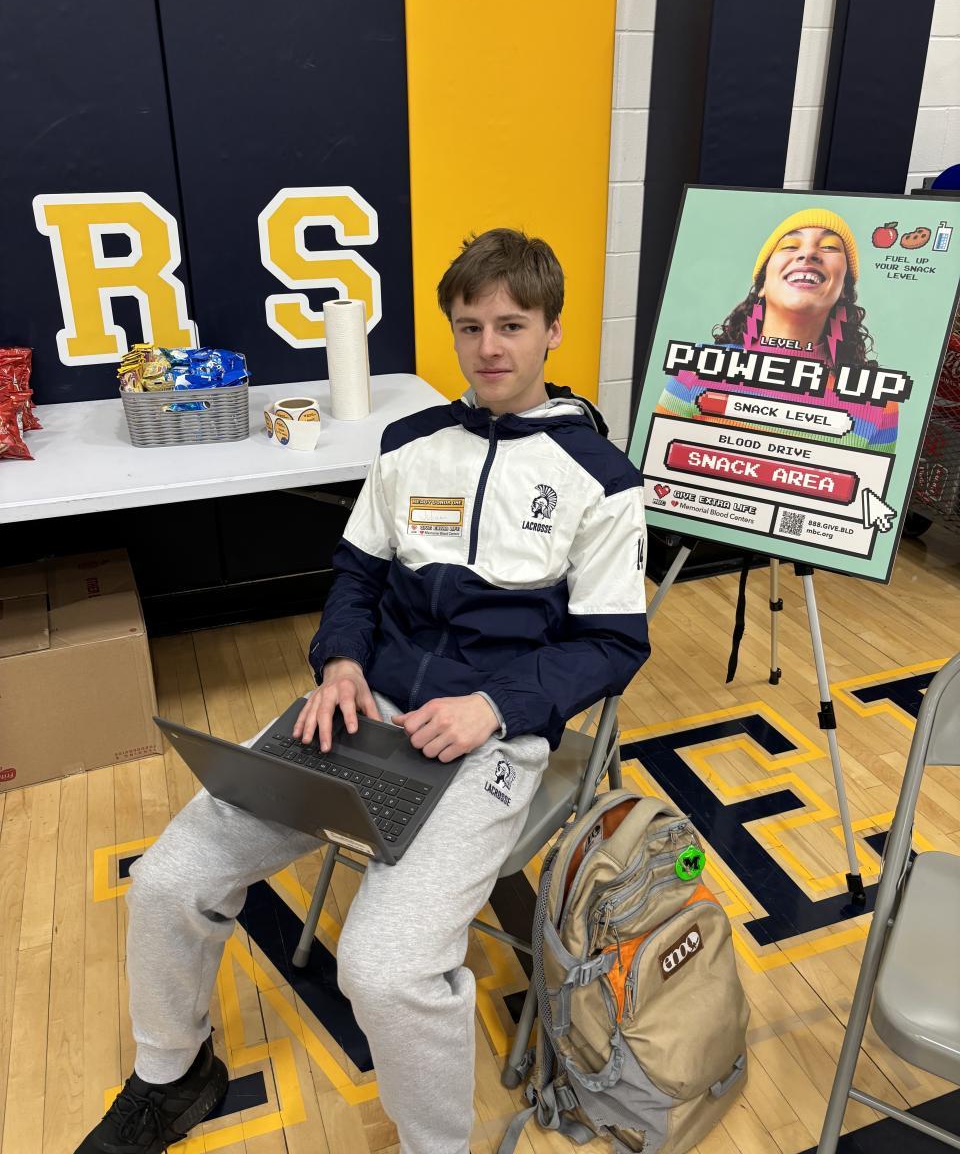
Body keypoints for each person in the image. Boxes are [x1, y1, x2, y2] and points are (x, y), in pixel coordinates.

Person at [77, 227, 650, 1154]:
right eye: (470, 327)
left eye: (512, 325)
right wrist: (340, 664)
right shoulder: (410, 443)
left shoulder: (602, 481)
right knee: (168, 878)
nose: (489, 348)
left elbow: (614, 643)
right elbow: (355, 577)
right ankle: (172, 1076)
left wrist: (495, 708)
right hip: (358, 715)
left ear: (552, 331)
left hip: (487, 742)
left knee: (384, 971)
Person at [657, 209, 898, 453]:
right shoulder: (697, 368)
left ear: (844, 289)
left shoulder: (878, 401)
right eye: (790, 246)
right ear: (762, 285)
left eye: (829, 247)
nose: (808, 253)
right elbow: (660, 460)